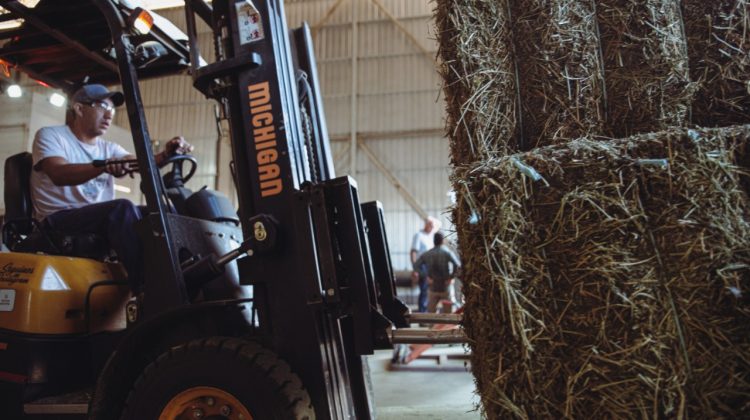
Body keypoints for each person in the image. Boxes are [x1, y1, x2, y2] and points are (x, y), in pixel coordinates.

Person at [30, 84, 193, 292]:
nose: (109, 115)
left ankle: (185, 277)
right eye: (101, 106)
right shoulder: (52, 136)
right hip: (57, 219)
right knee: (122, 208)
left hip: (96, 220)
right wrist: (103, 167)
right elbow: (59, 174)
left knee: (163, 211)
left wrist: (166, 155)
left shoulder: (109, 148)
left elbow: (140, 163)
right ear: (79, 109)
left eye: (112, 110)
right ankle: (145, 289)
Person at [412, 232, 461, 314]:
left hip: (432, 287)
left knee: (431, 311)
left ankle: (432, 326)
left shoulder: (427, 254)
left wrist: (426, 276)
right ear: (442, 241)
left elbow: (415, 266)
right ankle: (447, 326)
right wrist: (451, 277)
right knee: (448, 312)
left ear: (433, 241)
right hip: (446, 286)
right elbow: (457, 265)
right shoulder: (447, 252)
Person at [410, 216, 439, 312]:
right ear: (426, 224)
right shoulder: (419, 235)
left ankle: (428, 312)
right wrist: (415, 269)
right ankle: (422, 313)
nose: (432, 227)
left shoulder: (431, 236)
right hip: (422, 266)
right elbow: (413, 252)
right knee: (424, 289)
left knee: (430, 290)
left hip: (431, 266)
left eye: (433, 226)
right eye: (431, 225)